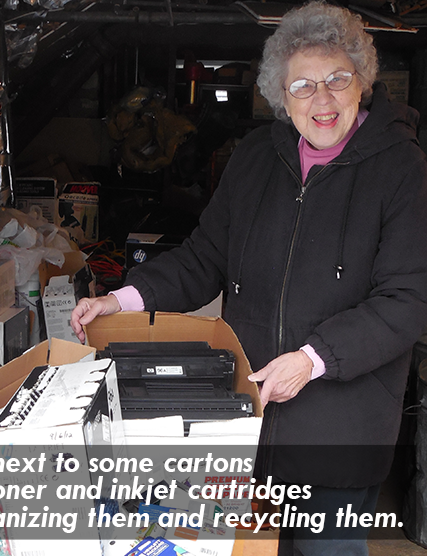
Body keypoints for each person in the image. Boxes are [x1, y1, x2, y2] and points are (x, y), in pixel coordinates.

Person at [71, 2, 427, 554]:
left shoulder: (402, 167)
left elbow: (407, 300)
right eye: (303, 86)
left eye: (337, 79)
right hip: (250, 417)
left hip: (340, 428)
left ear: (363, 81)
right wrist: (123, 298)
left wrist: (313, 360)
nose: (323, 99)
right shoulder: (257, 157)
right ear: (282, 97)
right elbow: (206, 256)